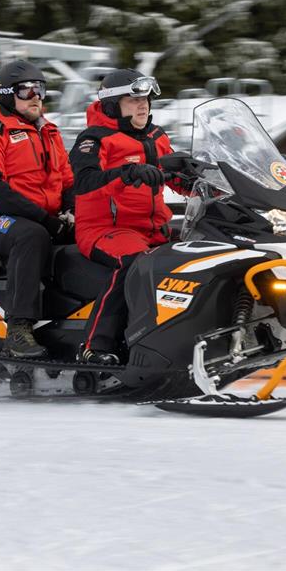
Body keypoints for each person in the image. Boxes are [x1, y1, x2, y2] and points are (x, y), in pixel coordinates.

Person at [70, 68, 186, 365]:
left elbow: (175, 175)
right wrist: (127, 172)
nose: (142, 104)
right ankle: (95, 346)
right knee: (135, 262)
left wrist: (210, 181)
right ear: (112, 105)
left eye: (145, 98)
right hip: (105, 230)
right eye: (133, 99)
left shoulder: (156, 136)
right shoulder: (94, 140)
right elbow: (84, 182)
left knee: (204, 252)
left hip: (153, 229)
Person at [0, 60, 74, 358]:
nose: (36, 96)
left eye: (41, 89)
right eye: (27, 91)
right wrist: (46, 220)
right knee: (31, 236)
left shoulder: (49, 132)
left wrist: (72, 210)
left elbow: (69, 180)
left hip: (45, 218)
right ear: (8, 94)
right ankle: (18, 329)